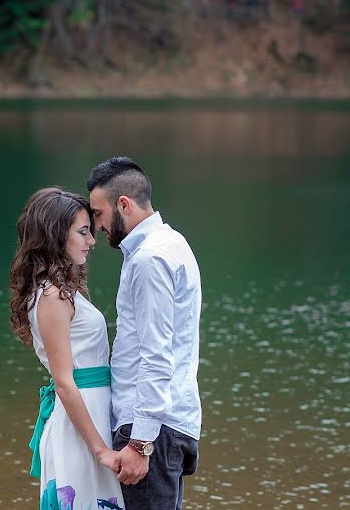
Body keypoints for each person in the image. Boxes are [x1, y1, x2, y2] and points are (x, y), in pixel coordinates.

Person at [87, 157, 202, 509]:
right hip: (165, 425)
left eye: (98, 213)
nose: (96, 226)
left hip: (152, 430)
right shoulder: (171, 243)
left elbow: (156, 354)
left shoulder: (150, 259)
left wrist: (140, 445)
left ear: (124, 205)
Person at [9, 187, 125, 510]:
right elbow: (63, 381)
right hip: (81, 428)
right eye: (83, 232)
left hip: (92, 415)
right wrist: (100, 449)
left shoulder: (62, 291)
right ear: (57, 236)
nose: (92, 241)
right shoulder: (51, 297)